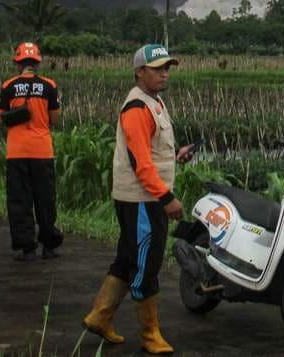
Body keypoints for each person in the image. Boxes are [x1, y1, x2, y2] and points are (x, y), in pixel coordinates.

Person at [82, 43, 194, 354]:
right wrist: (167, 198)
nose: (164, 74)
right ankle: (150, 335)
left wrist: (175, 155)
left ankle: (99, 316)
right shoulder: (136, 108)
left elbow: (152, 152)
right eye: (158, 69)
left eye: (167, 68)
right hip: (142, 200)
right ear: (139, 72)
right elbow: (140, 163)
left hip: (144, 198)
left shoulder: (153, 102)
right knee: (147, 263)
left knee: (129, 257)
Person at [0, 42, 63, 261]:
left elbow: (0, 119)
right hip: (42, 151)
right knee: (45, 199)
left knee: (20, 200)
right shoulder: (49, 86)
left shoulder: (8, 86)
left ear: (18, 62)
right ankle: (49, 247)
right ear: (37, 62)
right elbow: (55, 119)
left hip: (16, 152)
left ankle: (27, 249)